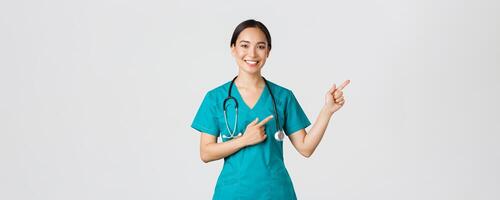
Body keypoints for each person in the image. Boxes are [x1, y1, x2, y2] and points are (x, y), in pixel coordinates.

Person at [191, 19, 350, 200]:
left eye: (260, 46)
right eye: (244, 45)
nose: (252, 53)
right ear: (233, 48)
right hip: (232, 193)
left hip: (276, 192)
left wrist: (327, 111)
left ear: (268, 52)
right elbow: (206, 153)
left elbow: (306, 148)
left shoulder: (283, 97)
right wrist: (244, 140)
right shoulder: (215, 98)